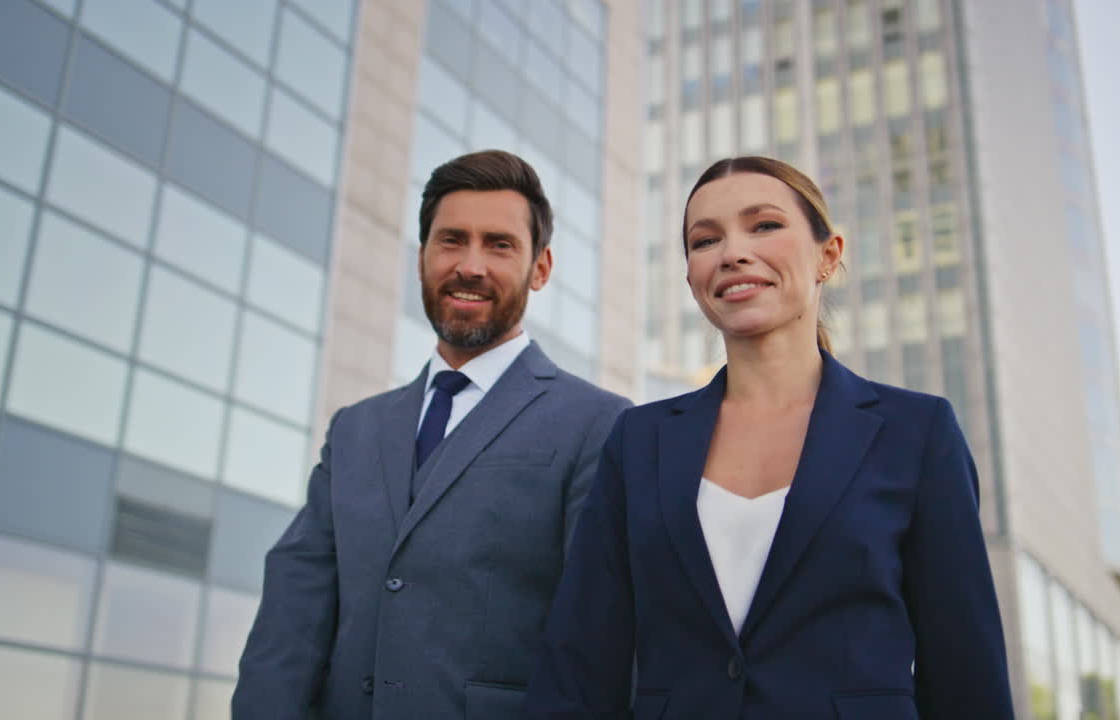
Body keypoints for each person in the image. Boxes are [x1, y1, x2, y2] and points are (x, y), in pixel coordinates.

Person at [526, 156, 1014, 719]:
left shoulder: (918, 434)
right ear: (691, 277)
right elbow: (579, 663)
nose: (733, 252)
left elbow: (965, 672)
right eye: (705, 240)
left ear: (827, 255)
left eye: (764, 225)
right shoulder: (638, 441)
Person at [233, 150, 630, 719]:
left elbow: (600, 643)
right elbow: (291, 623)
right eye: (451, 241)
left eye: (499, 244)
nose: (470, 265)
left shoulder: (599, 424)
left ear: (541, 268)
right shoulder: (355, 430)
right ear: (421, 257)